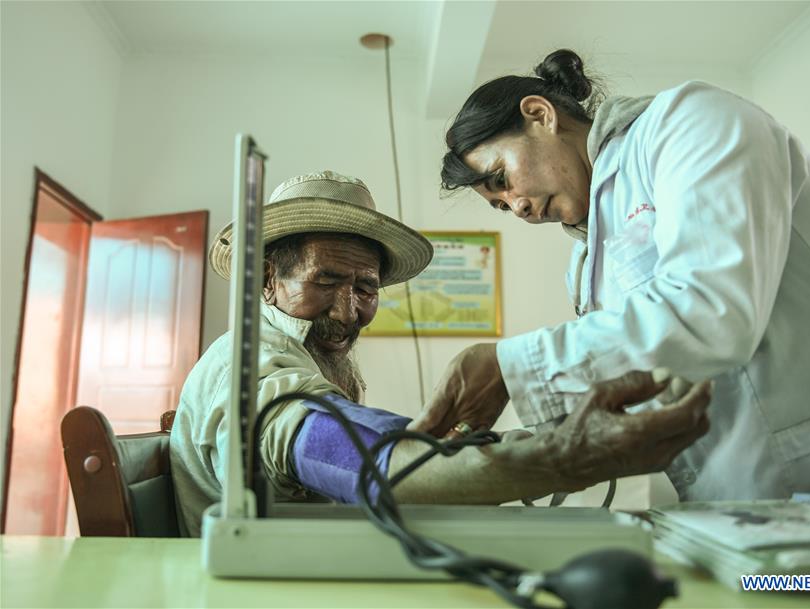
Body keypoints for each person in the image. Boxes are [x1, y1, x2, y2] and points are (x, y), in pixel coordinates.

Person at [415, 49, 810, 502]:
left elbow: (712, 310)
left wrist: (508, 366)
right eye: (500, 206)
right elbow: (634, 380)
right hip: (741, 508)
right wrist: (504, 450)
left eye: (502, 178)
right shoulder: (584, 264)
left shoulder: (692, 121)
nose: (517, 206)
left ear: (540, 115)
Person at [170, 170, 712, 537]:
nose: (347, 310)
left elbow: (374, 444)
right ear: (268, 279)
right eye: (326, 281)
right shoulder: (250, 366)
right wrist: (564, 457)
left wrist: (541, 441)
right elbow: (351, 456)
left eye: (365, 288)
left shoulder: (291, 354)